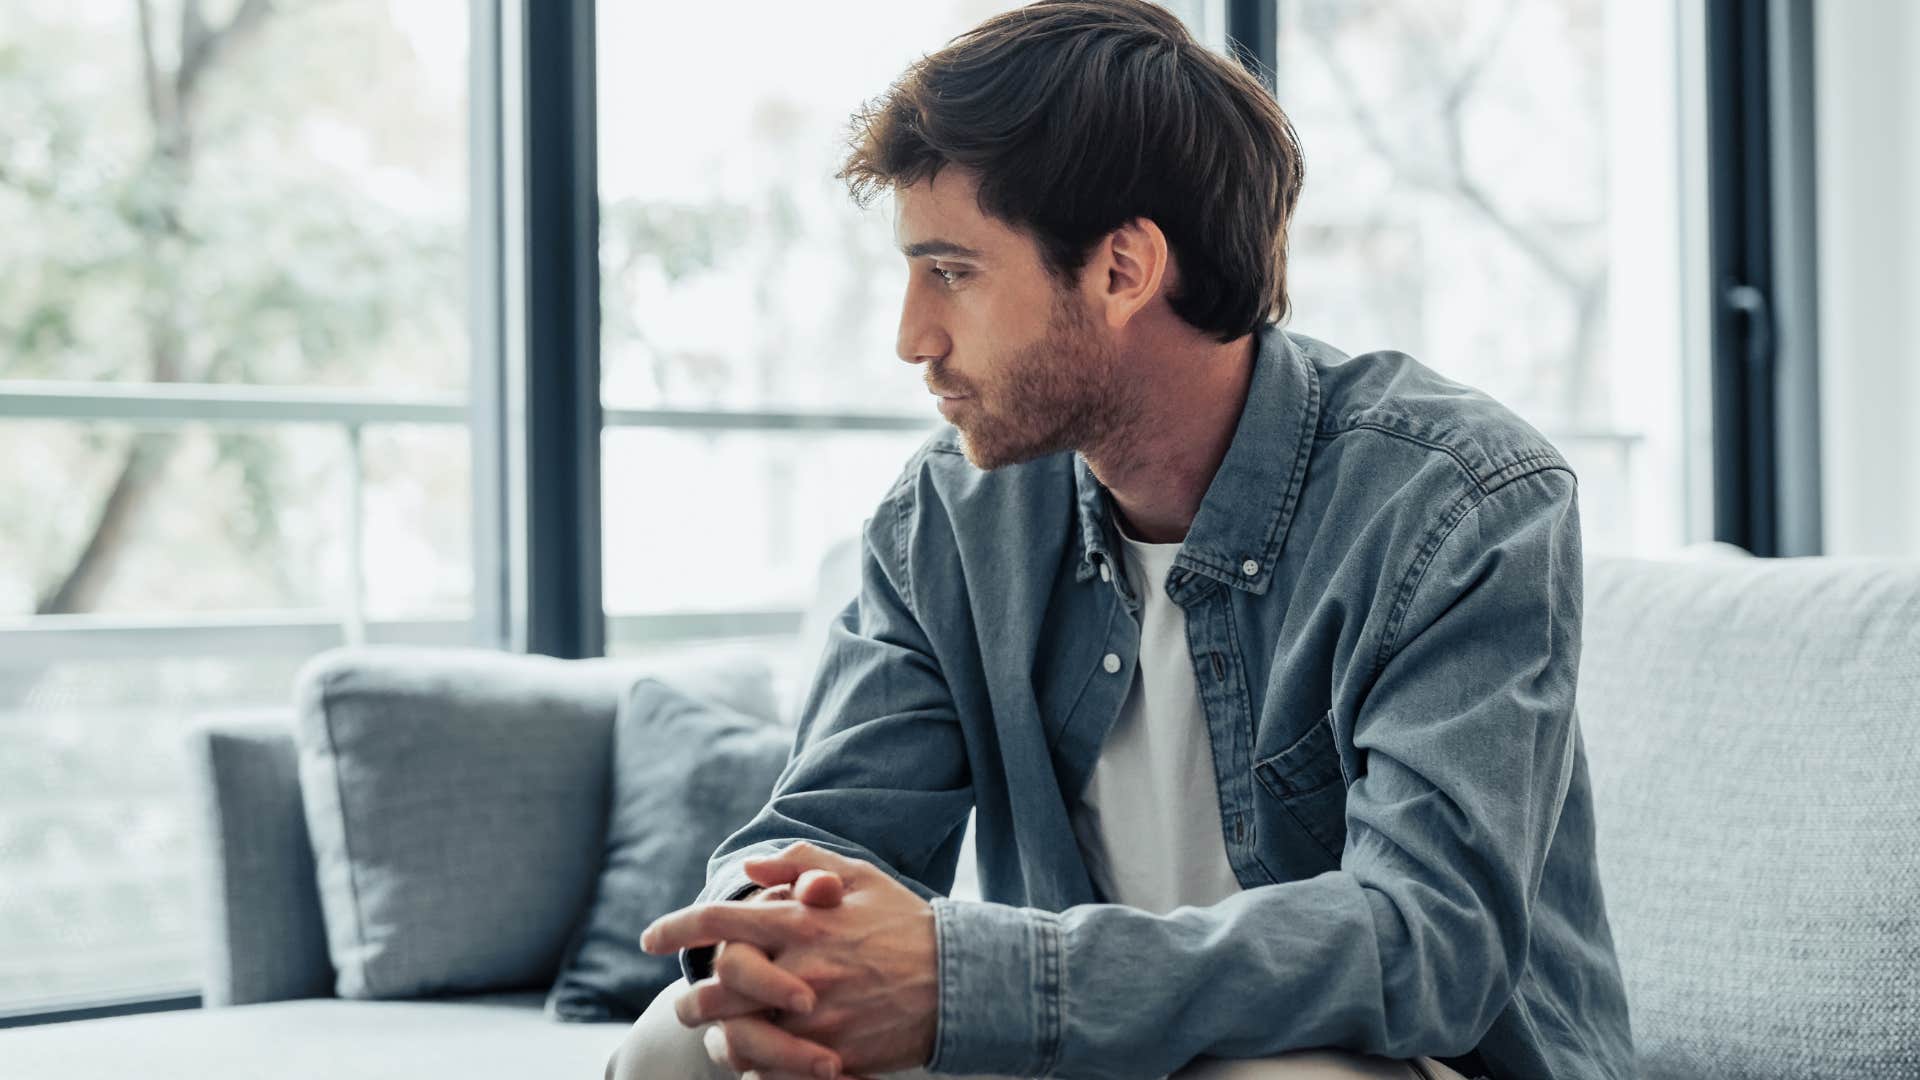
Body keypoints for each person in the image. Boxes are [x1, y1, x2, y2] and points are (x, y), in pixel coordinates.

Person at [610, 1, 1634, 1077]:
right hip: (1082, 1048)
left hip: (1388, 1059)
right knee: (687, 1052)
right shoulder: (954, 521)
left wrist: (976, 977)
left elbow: (1428, 945)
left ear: (1122, 270)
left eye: (952, 271)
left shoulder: (1457, 503)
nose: (911, 336)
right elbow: (820, 829)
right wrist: (770, 933)